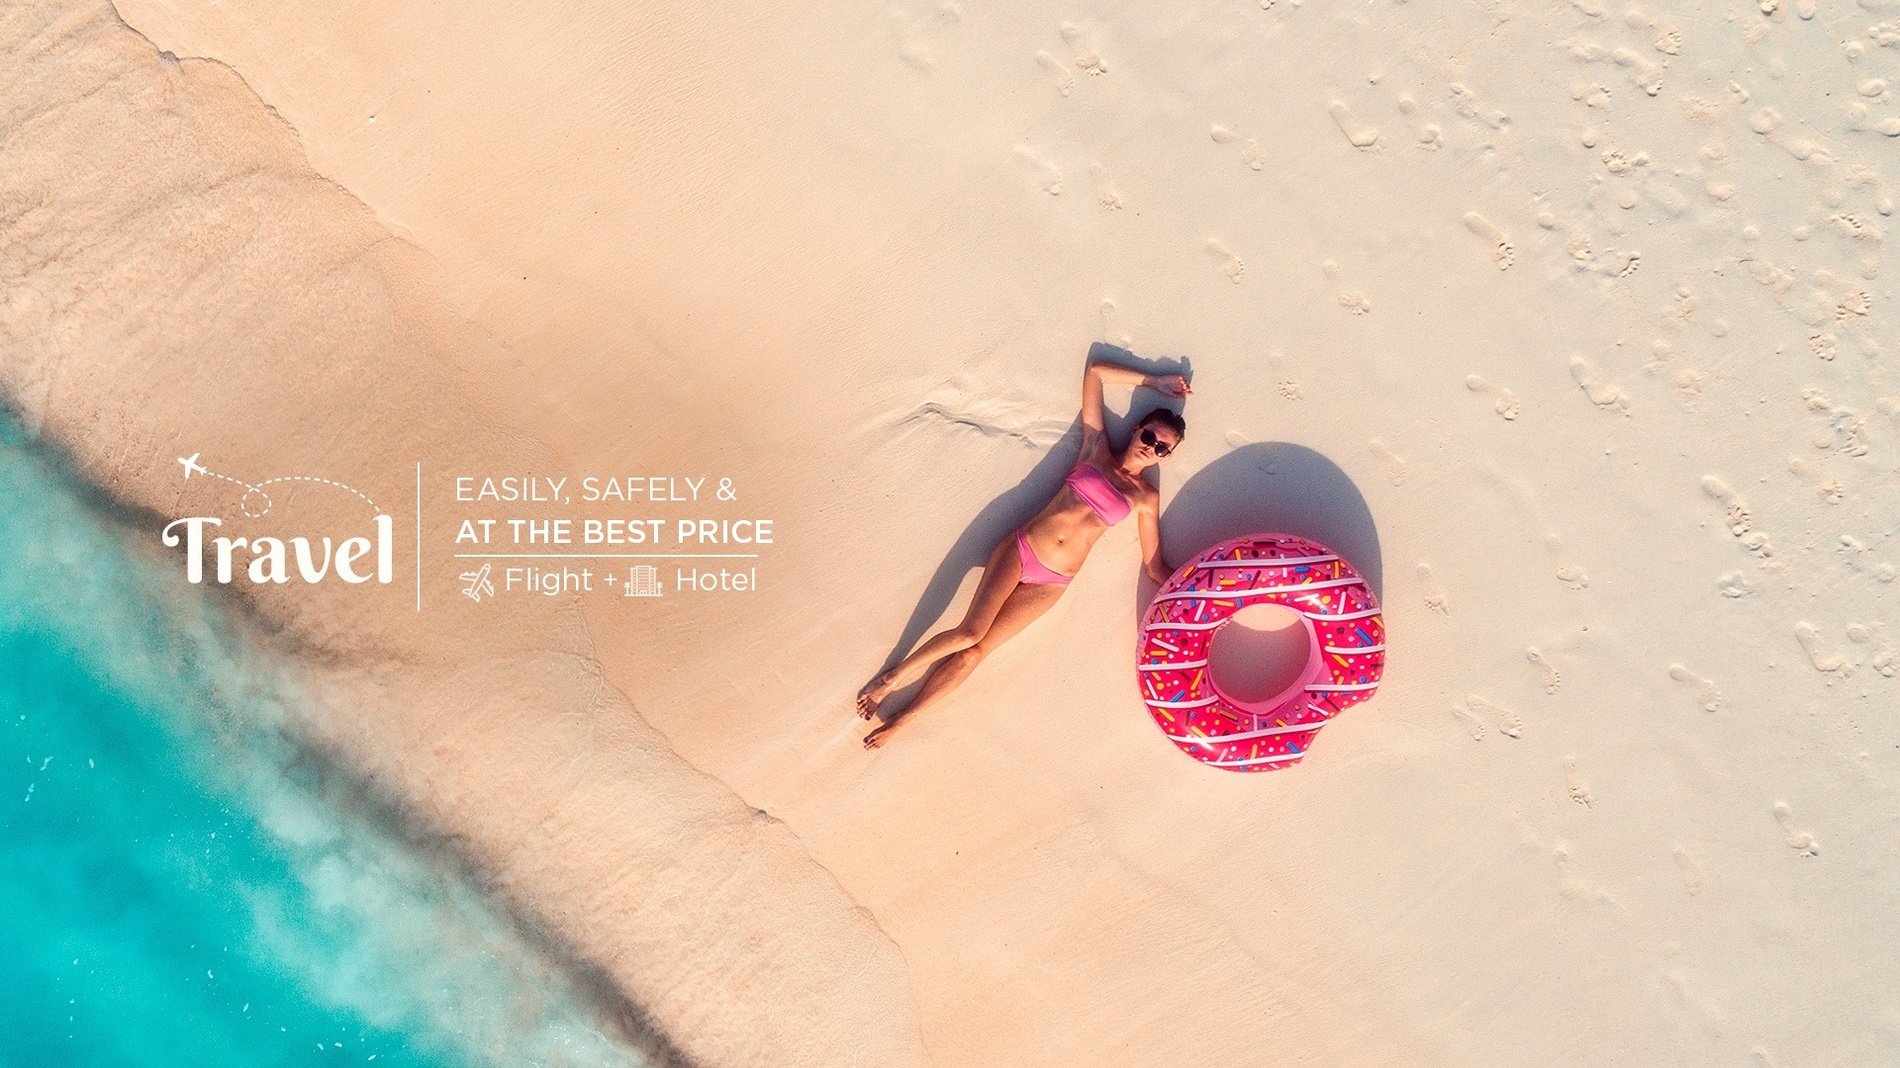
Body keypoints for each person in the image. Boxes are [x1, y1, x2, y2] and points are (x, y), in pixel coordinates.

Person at [855, 356, 1190, 749]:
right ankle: (891, 679)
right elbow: (1095, 372)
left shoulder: (1146, 496)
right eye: (1150, 436)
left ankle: (903, 720)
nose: (1152, 448)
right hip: (1023, 549)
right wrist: (1156, 381)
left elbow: (1153, 565)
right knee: (969, 632)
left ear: (1168, 456)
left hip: (1053, 583)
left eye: (1162, 449)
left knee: (977, 652)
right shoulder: (1095, 448)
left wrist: (1193, 587)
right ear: (1138, 429)